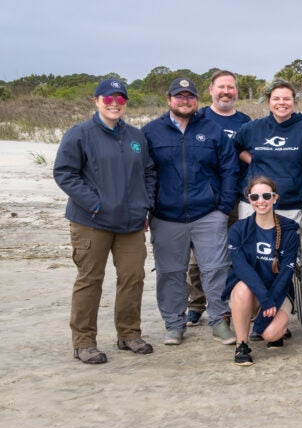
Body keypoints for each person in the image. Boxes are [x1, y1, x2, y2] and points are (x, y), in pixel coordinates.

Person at [53, 78, 156, 364]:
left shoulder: (136, 137)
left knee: (133, 278)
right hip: (91, 221)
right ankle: (84, 342)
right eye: (108, 99)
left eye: (120, 100)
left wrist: (144, 205)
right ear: (97, 101)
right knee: (90, 281)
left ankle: (129, 334)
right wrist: (95, 204)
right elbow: (65, 173)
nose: (114, 104)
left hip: (131, 223)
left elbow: (149, 172)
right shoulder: (79, 134)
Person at [143, 77, 239, 346]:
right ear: (169, 99)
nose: (184, 101)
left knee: (216, 269)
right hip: (166, 216)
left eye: (189, 96)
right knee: (170, 273)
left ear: (197, 99)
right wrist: (150, 208)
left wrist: (222, 208)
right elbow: (145, 174)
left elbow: (229, 169)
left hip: (208, 214)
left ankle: (220, 322)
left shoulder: (212, 130)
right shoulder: (151, 132)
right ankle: (174, 325)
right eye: (179, 96)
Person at [184, 70, 251, 327]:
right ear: (211, 90)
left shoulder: (245, 122)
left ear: (236, 91)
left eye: (231, 87)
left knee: (236, 253)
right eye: (221, 87)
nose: (226, 92)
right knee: (199, 256)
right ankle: (196, 304)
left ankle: (233, 301)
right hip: (205, 197)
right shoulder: (198, 118)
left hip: (238, 196)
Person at [224, 177, 299, 365]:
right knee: (241, 287)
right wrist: (265, 300)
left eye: (266, 196)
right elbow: (242, 269)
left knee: (270, 335)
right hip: (256, 293)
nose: (261, 201)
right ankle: (241, 345)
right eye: (255, 196)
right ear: (249, 200)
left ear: (275, 198)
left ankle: (279, 328)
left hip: (279, 293)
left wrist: (271, 301)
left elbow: (286, 274)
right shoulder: (238, 230)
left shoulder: (289, 231)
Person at [234, 80, 302, 224]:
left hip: (288, 207)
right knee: (250, 245)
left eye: (287, 99)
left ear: (294, 101)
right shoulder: (252, 128)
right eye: (276, 99)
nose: (281, 103)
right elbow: (234, 147)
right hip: (253, 204)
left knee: (284, 246)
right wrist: (251, 160)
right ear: (269, 101)